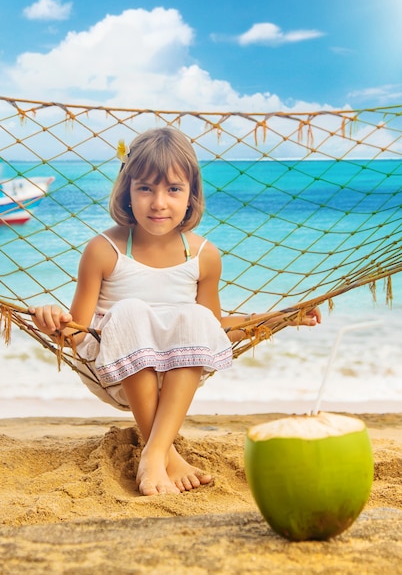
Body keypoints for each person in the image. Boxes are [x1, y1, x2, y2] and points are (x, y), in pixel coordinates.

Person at [30, 127, 321, 496]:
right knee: (131, 310)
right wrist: (51, 322)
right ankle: (163, 453)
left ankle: (155, 452)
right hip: (115, 374)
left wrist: (283, 317)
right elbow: (78, 335)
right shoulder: (103, 250)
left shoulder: (204, 256)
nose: (159, 203)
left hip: (177, 380)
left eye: (173, 189)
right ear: (127, 191)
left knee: (196, 317)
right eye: (145, 188)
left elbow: (213, 330)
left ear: (191, 195)